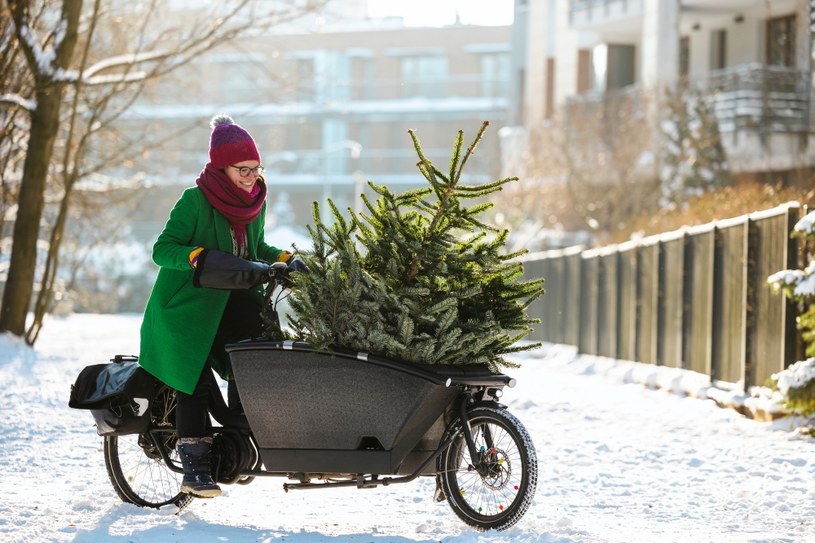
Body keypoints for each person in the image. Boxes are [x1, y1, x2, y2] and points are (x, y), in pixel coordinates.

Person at [138, 114, 291, 498]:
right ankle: (195, 468)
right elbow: (162, 249)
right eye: (243, 169)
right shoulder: (195, 201)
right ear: (222, 167)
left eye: (256, 168)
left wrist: (286, 258)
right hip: (185, 309)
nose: (251, 176)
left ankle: (243, 431)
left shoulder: (254, 202)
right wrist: (195, 256)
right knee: (195, 379)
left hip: (230, 302)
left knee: (255, 352)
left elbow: (255, 251)